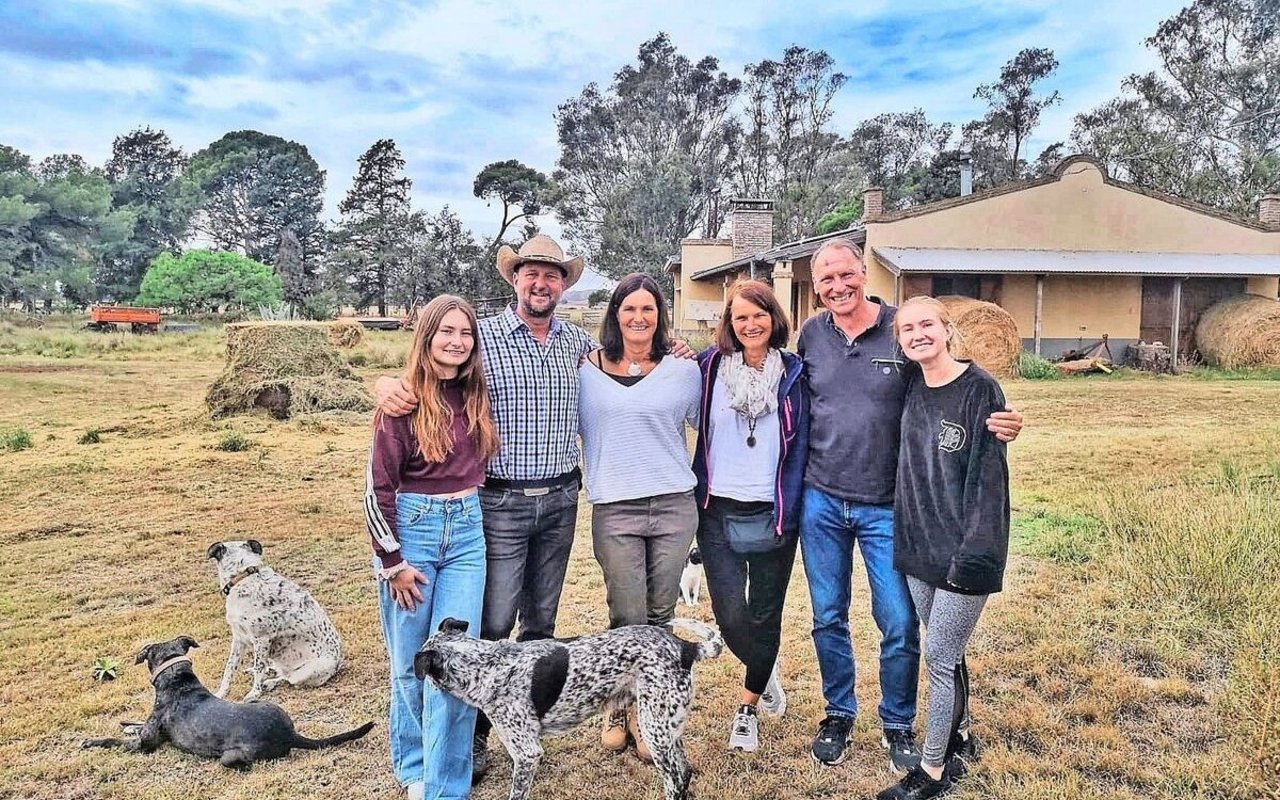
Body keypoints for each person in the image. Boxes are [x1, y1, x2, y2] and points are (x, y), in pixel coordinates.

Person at [798, 238, 1023, 771]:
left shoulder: (903, 328)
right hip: (822, 500)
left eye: (846, 274)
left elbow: (952, 380)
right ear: (817, 284)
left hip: (889, 508)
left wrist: (1000, 418)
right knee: (828, 615)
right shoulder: (811, 335)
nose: (837, 286)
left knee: (898, 622)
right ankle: (838, 712)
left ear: (862, 272)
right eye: (826, 279)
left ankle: (897, 721)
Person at [376, 234, 595, 780]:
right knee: (489, 625)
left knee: (541, 622)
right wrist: (383, 385)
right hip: (495, 502)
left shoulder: (576, 343)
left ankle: (527, 727)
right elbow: (425, 374)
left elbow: (630, 359)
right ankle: (471, 739)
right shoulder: (483, 339)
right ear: (514, 279)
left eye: (552, 275)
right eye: (531, 273)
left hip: (562, 495)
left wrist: (682, 349)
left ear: (564, 285)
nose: (541, 283)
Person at [365, 295, 501, 800]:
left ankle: (447, 787)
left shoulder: (476, 395)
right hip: (414, 533)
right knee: (409, 659)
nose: (456, 341)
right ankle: (415, 768)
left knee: (458, 661)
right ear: (426, 336)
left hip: (467, 532)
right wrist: (392, 562)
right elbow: (376, 489)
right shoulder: (400, 404)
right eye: (446, 331)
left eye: (465, 333)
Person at [874, 296, 1010, 800]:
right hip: (917, 547)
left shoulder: (981, 391)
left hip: (964, 554)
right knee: (947, 654)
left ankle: (932, 771)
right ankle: (963, 736)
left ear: (948, 328)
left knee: (938, 657)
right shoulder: (911, 383)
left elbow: (988, 485)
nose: (917, 335)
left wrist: (970, 558)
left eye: (926, 324)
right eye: (907, 328)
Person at [577, 272, 701, 758]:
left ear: (660, 316)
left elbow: (709, 421)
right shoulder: (584, 368)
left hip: (674, 505)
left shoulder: (683, 370)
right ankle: (616, 703)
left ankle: (652, 713)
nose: (638, 317)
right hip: (614, 506)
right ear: (615, 315)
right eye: (629, 308)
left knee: (660, 615)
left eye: (648, 309)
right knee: (626, 615)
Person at [690, 279, 808, 753]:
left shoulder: (797, 373)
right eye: (740, 317)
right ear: (729, 323)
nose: (750, 324)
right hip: (717, 511)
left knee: (766, 612)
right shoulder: (706, 368)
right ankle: (765, 662)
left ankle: (748, 705)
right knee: (731, 614)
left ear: (773, 318)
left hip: (776, 510)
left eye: (759, 315)